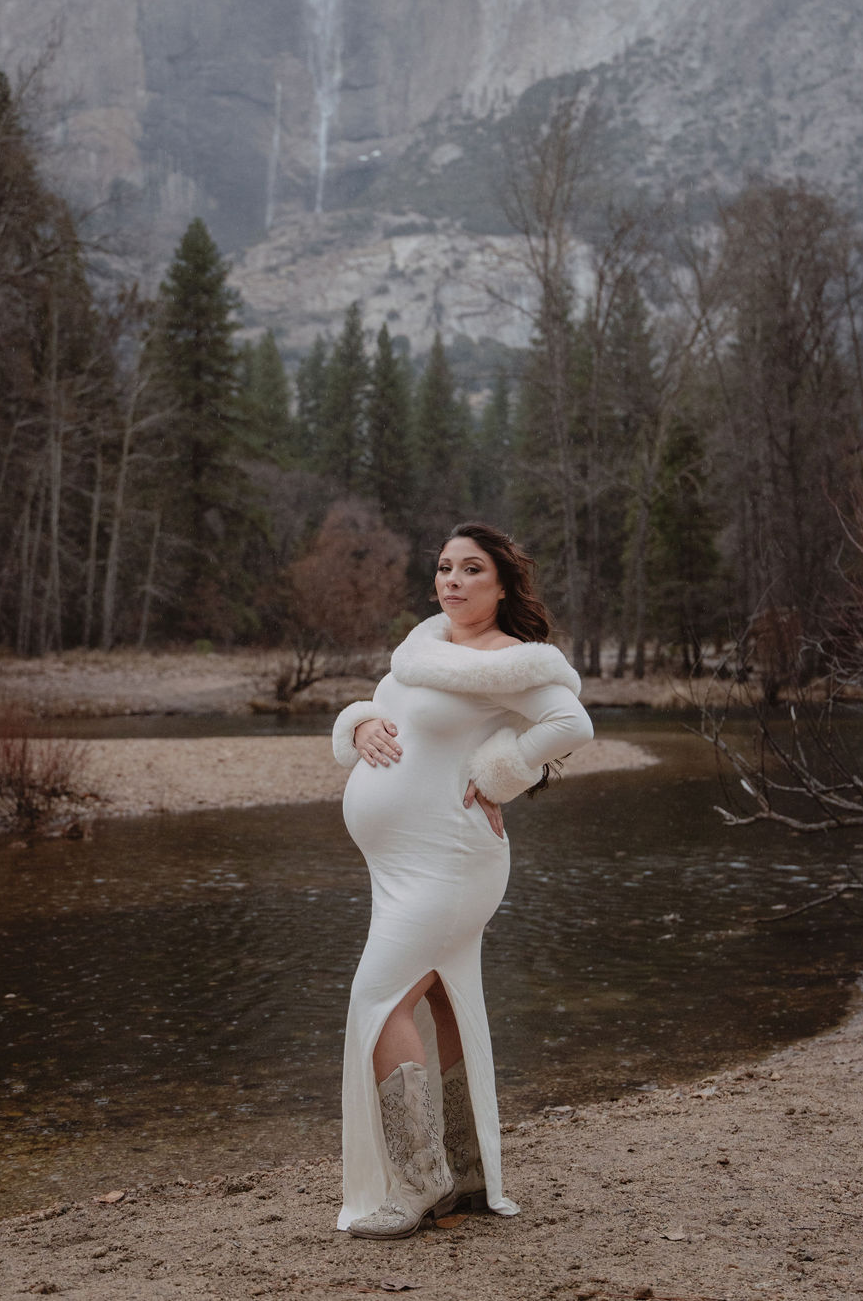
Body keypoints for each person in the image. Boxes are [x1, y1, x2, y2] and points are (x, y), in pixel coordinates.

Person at [331, 522, 594, 1239]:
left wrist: (499, 772)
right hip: (398, 865)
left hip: (449, 862)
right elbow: (385, 707)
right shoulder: (423, 648)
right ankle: (466, 1175)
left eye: (471, 568)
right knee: (446, 1001)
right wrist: (358, 727)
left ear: (502, 584)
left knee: (379, 1002)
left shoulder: (515, 661)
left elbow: (572, 722)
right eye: (444, 566)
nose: (452, 579)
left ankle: (417, 1184)